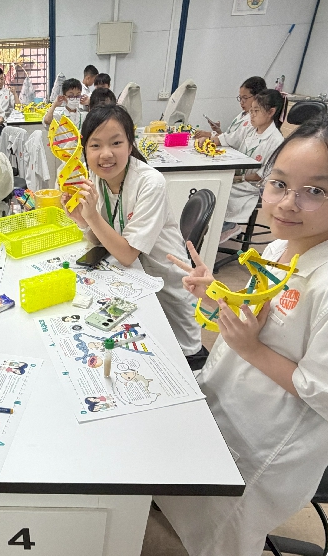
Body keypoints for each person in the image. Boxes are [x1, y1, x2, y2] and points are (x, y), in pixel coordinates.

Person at [132, 114, 328, 556]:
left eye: (316, 191)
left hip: (273, 438)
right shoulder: (279, 249)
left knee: (229, 529)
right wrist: (212, 293)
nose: (288, 203)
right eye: (279, 184)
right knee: (198, 484)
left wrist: (250, 349)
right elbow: (254, 321)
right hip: (236, 398)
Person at [64, 105, 205, 367]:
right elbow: (102, 241)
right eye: (95, 145)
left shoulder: (150, 182)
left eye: (116, 143)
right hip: (131, 283)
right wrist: (83, 221)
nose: (106, 154)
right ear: (85, 150)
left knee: (166, 359)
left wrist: (92, 216)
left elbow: (128, 254)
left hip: (164, 290)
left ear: (130, 145)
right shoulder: (95, 179)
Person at [218, 89, 286, 235]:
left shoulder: (276, 141)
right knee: (216, 183)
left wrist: (238, 178)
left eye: (256, 111)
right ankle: (218, 224)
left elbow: (262, 176)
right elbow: (229, 139)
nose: (252, 115)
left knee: (221, 189)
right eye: (251, 111)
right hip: (240, 178)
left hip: (254, 186)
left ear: (271, 112)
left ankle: (228, 225)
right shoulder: (250, 130)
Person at [194, 76, 267, 143]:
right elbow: (229, 137)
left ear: (257, 97)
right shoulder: (242, 114)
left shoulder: (255, 120)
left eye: (245, 98)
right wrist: (217, 130)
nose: (241, 102)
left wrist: (210, 135)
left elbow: (235, 141)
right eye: (240, 98)